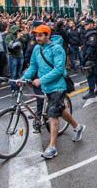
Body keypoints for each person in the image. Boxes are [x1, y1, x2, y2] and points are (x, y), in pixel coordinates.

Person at [21, 24, 85, 159]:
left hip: (58, 86)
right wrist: (24, 78)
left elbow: (59, 70)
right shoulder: (36, 49)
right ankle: (78, 127)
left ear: (47, 35)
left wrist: (41, 80)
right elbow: (33, 66)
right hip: (46, 87)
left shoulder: (57, 49)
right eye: (36, 35)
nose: (37, 38)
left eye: (40, 35)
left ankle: (52, 148)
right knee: (59, 110)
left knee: (52, 115)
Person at [81, 19, 97, 99]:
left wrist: (86, 57)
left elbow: (91, 46)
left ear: (91, 24)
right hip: (92, 56)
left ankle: (92, 91)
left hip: (91, 57)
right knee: (95, 73)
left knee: (90, 74)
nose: (85, 26)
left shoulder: (92, 34)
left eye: (86, 25)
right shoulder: (90, 33)